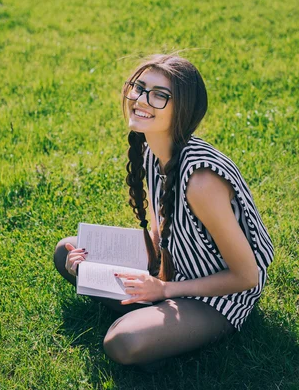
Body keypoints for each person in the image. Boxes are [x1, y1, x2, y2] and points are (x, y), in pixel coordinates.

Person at [53, 53, 274, 369]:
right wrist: (109, 270)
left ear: (181, 109)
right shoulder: (151, 151)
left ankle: (158, 330)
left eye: (160, 95)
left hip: (220, 294)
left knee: (122, 341)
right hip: (175, 266)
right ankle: (159, 326)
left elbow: (246, 276)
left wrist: (165, 289)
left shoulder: (201, 181)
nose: (142, 100)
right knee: (68, 252)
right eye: (139, 88)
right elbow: (161, 234)